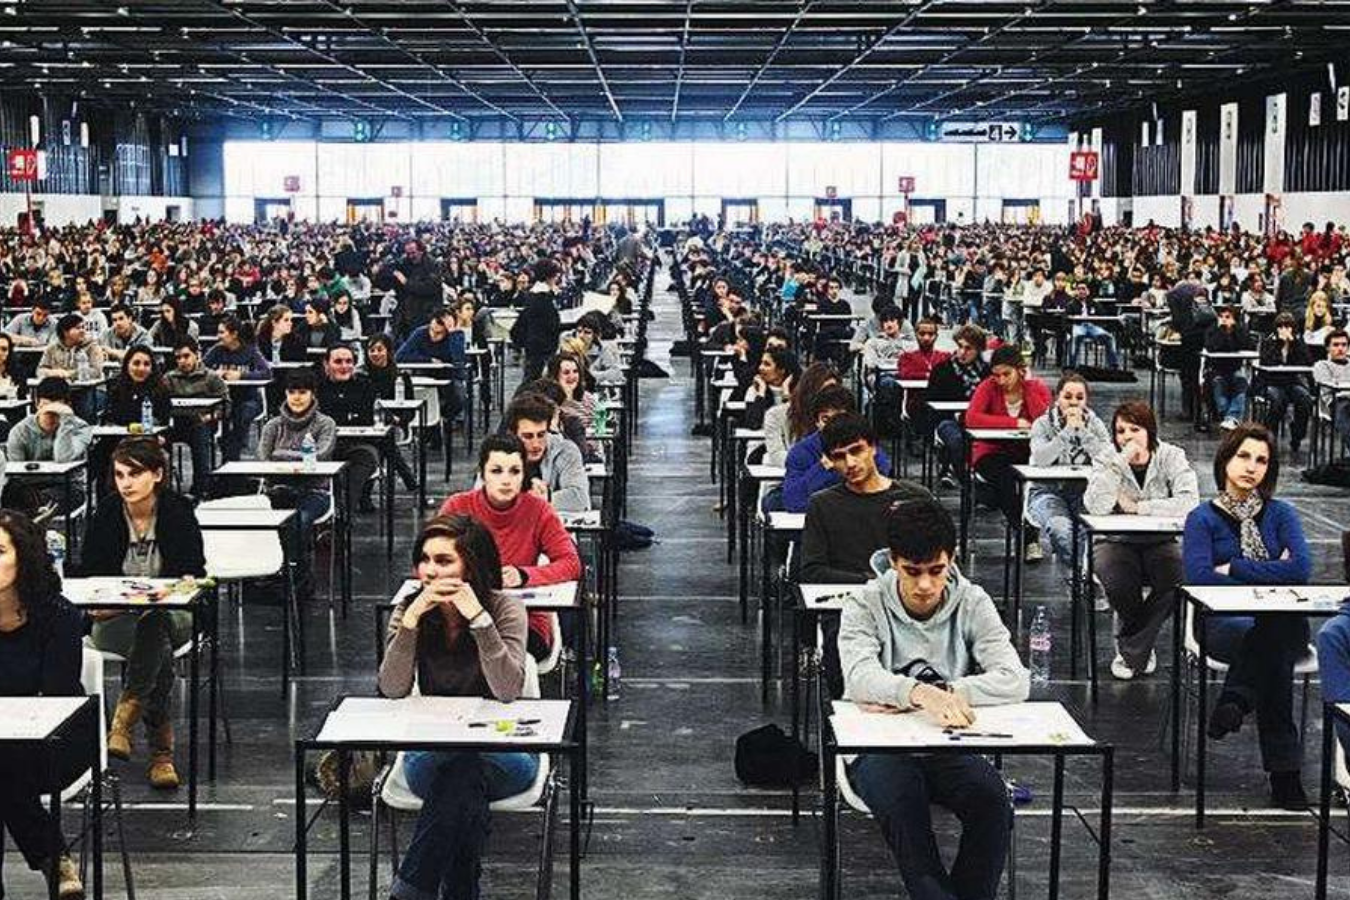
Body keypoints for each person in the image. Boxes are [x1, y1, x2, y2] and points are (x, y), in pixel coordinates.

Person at [839, 498, 1027, 900]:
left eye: (936, 571)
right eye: (912, 571)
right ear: (893, 561)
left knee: (993, 801)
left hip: (947, 742)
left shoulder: (972, 601)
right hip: (878, 746)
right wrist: (919, 693)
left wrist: (948, 693)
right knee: (906, 810)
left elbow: (1014, 679)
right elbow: (859, 678)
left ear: (951, 560)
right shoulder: (864, 602)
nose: (925, 584)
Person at [378, 514, 531, 900]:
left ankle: (410, 892)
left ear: (470, 566)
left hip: (501, 751)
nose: (430, 571)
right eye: (424, 560)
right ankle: (460, 889)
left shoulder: (505, 609)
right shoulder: (409, 610)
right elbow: (392, 688)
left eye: (444, 561)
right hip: (431, 750)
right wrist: (411, 622)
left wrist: (479, 620)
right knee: (461, 780)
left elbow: (507, 689)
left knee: (462, 775)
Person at [1182, 423, 1312, 809]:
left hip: (1282, 618)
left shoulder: (1282, 514)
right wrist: (1272, 571)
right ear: (1225, 460)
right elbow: (1201, 578)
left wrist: (1234, 567)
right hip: (1223, 621)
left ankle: (1237, 698)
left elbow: (1300, 569)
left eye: (1261, 460)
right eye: (1243, 456)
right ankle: (1285, 775)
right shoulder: (1202, 518)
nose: (1251, 467)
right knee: (1274, 648)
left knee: (1273, 629)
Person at [80, 439, 205, 791]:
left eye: (135, 474)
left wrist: (166, 593)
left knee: (155, 621)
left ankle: (124, 720)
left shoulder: (178, 510)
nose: (126, 483)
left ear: (158, 474)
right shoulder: (107, 512)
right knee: (156, 645)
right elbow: (90, 574)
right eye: (120, 475)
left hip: (175, 615)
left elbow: (193, 571)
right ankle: (161, 755)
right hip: (116, 618)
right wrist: (112, 603)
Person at [802, 412, 931, 698]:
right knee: (843, 652)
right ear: (829, 461)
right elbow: (811, 571)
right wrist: (872, 583)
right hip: (849, 610)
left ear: (873, 447)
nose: (850, 463)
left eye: (856, 451)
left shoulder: (914, 498)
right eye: (839, 457)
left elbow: (937, 559)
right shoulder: (823, 505)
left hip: (912, 606)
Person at [0, 509, 86, 899]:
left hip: (58, 738)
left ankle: (53, 856)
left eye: (0, 551)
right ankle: (55, 858)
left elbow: (57, 695)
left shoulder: (59, 616)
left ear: (25, 557)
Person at [1082, 400, 1199, 680]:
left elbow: (1189, 502)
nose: (1127, 437)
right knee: (1119, 581)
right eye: (1121, 431)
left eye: (1135, 429)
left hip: (1160, 540)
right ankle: (1140, 647)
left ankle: (1133, 646)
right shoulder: (1106, 457)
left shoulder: (1171, 456)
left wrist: (1139, 507)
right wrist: (1118, 464)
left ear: (1150, 431)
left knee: (1180, 578)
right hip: (1114, 540)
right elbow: (1096, 506)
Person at [440, 434, 582, 662]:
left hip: (524, 619)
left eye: (514, 471)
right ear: (482, 474)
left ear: (524, 474)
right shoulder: (458, 506)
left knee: (489, 652)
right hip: (462, 614)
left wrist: (524, 575)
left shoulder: (539, 510)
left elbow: (572, 563)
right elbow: (427, 561)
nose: (506, 480)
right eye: (496, 471)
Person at [965, 345, 1052, 563]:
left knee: (1027, 481)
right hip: (991, 450)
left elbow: (1045, 420)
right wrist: (1014, 423)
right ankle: (1027, 534)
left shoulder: (1036, 387)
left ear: (1020, 370)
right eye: (996, 375)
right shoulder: (987, 387)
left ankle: (1024, 529)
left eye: (1007, 374)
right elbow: (972, 418)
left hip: (1026, 452)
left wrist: (1027, 388)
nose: (1001, 380)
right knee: (1006, 478)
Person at [258, 369, 338, 598]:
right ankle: (268, 573)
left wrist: (280, 454)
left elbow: (319, 455)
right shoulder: (272, 425)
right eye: (292, 392)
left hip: (314, 491)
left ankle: (299, 578)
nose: (297, 397)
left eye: (302, 392)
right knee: (257, 519)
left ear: (312, 394)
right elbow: (263, 458)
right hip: (277, 489)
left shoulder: (326, 424)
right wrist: (299, 456)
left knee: (299, 521)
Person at [1026, 371, 1112, 569]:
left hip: (1084, 491)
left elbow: (1107, 459)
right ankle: (1081, 575)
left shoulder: (1095, 424)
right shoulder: (1042, 424)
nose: (1073, 402)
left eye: (1079, 398)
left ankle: (1081, 577)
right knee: (1061, 529)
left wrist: (1083, 432)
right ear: (1057, 398)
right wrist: (1066, 433)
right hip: (1047, 491)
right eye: (1068, 397)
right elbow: (1041, 459)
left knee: (1088, 532)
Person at [783, 387, 892, 514]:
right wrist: (822, 468)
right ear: (816, 422)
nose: (832, 426)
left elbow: (879, 492)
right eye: (826, 419)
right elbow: (793, 502)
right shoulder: (802, 451)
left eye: (838, 418)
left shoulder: (864, 447)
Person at [3, 377, 92, 516]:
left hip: (67, 486)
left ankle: (34, 513)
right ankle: (36, 512)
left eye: (57, 408)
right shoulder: (20, 430)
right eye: (46, 406)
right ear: (37, 403)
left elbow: (63, 458)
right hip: (29, 487)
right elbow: (17, 473)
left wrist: (65, 423)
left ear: (68, 406)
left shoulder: (80, 428)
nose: (51, 414)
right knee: (13, 493)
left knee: (39, 501)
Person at [316, 344, 381, 513]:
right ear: (326, 364)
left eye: (349, 361)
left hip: (359, 445)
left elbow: (367, 420)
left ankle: (344, 517)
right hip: (324, 446)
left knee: (362, 463)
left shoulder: (366, 386)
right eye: (338, 362)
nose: (344, 366)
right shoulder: (316, 388)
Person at [164, 337, 231, 498]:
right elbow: (160, 403)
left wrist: (211, 416)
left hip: (202, 423)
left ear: (197, 355)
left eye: (186, 356)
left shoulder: (211, 377)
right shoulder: (169, 378)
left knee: (200, 436)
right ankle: (164, 489)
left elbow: (226, 405)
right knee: (156, 439)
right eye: (178, 358)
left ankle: (201, 489)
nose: (182, 361)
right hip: (176, 424)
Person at [502, 394, 590, 514]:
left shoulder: (566, 450)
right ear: (513, 435)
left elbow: (580, 499)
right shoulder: (499, 453)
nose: (536, 444)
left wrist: (545, 498)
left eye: (541, 435)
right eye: (528, 436)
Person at [926, 324, 988, 488]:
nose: (962, 352)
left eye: (968, 348)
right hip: (948, 420)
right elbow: (931, 405)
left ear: (979, 350)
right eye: (960, 346)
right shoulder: (942, 370)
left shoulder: (987, 372)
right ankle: (967, 484)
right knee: (957, 439)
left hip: (979, 421)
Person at [203, 315, 272, 462]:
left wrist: (241, 375)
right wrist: (215, 374)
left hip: (249, 399)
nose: (218, 336)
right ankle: (225, 451)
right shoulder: (216, 350)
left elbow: (266, 372)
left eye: (222, 332)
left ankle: (231, 449)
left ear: (234, 334)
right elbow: (201, 369)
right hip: (223, 400)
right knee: (214, 415)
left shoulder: (250, 351)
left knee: (242, 413)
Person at [1254, 312, 1313, 454]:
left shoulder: (1298, 343)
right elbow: (1267, 362)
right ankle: (1270, 436)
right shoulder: (1269, 343)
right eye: (1280, 327)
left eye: (1287, 327)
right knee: (1278, 400)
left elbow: (1307, 361)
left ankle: (1297, 433)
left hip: (1291, 382)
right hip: (1271, 382)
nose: (1284, 330)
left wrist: (1293, 343)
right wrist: (1279, 345)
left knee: (1305, 399)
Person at [764, 361, 837, 469]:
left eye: (833, 391)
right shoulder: (775, 415)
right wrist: (817, 465)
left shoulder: (840, 416)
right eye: (823, 391)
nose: (829, 396)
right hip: (789, 475)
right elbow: (777, 455)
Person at [510, 259, 563, 381]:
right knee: (533, 380)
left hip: (535, 345)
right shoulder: (542, 297)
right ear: (549, 277)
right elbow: (552, 324)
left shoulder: (536, 295)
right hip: (540, 347)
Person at [1204, 304, 1253, 430]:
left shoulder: (1240, 331)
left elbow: (1246, 345)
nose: (1224, 319)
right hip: (1216, 369)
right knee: (1219, 384)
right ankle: (1229, 416)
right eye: (1221, 316)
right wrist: (1222, 331)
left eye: (1228, 317)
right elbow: (1212, 347)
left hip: (1235, 368)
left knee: (1241, 382)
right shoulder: (1212, 330)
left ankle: (1231, 417)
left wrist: (1234, 331)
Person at [742, 345, 799, 430]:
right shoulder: (754, 390)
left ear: (782, 370)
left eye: (767, 364)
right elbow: (753, 424)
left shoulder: (798, 391)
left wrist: (786, 392)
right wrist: (761, 393)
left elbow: (793, 424)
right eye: (761, 363)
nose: (760, 368)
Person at [1313, 329, 1350, 455]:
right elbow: (1329, 389)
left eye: (1344, 345)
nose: (1340, 348)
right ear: (1327, 348)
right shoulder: (1322, 365)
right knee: (1344, 410)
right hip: (1334, 402)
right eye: (1336, 345)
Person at [37, 314, 104, 381]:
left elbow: (96, 372)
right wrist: (53, 373)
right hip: (59, 385)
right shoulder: (52, 348)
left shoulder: (92, 346)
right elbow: (40, 371)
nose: (82, 331)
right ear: (65, 332)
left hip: (84, 386)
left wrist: (70, 374)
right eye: (78, 328)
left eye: (83, 327)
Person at [574, 310, 625, 386]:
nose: (581, 336)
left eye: (587, 332)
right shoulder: (567, 347)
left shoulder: (602, 350)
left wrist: (591, 376)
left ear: (595, 335)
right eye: (579, 331)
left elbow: (616, 373)